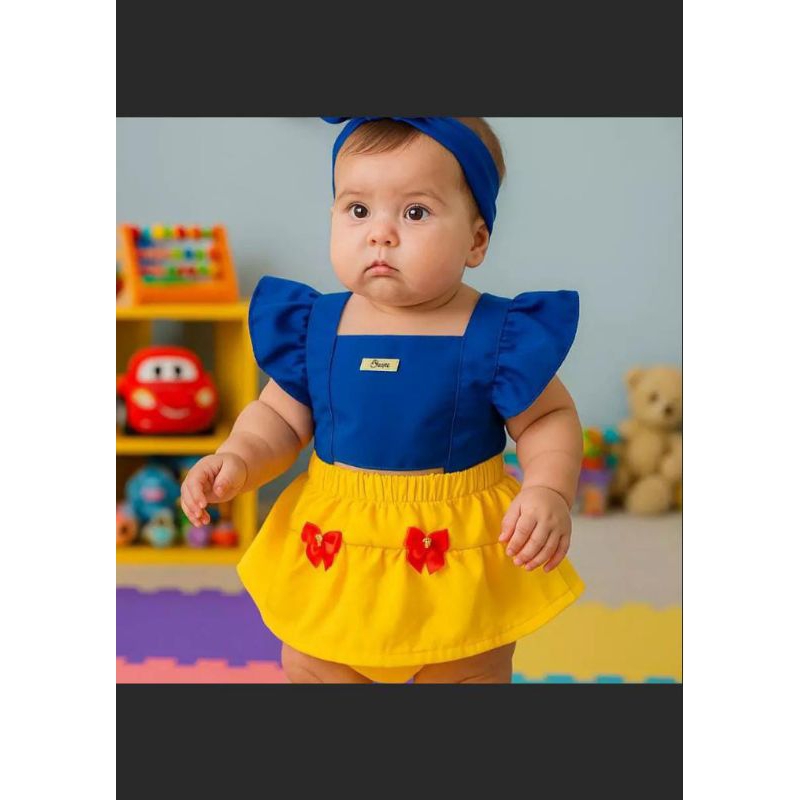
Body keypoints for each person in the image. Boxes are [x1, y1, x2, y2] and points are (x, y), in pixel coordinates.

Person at [180, 117, 585, 683]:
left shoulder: (497, 335)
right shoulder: (316, 326)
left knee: (468, 663)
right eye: (358, 209)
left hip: (452, 547)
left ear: (475, 240)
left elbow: (547, 419)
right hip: (338, 544)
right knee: (312, 660)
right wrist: (238, 458)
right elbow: (278, 419)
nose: (381, 234)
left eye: (415, 212)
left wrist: (548, 489)